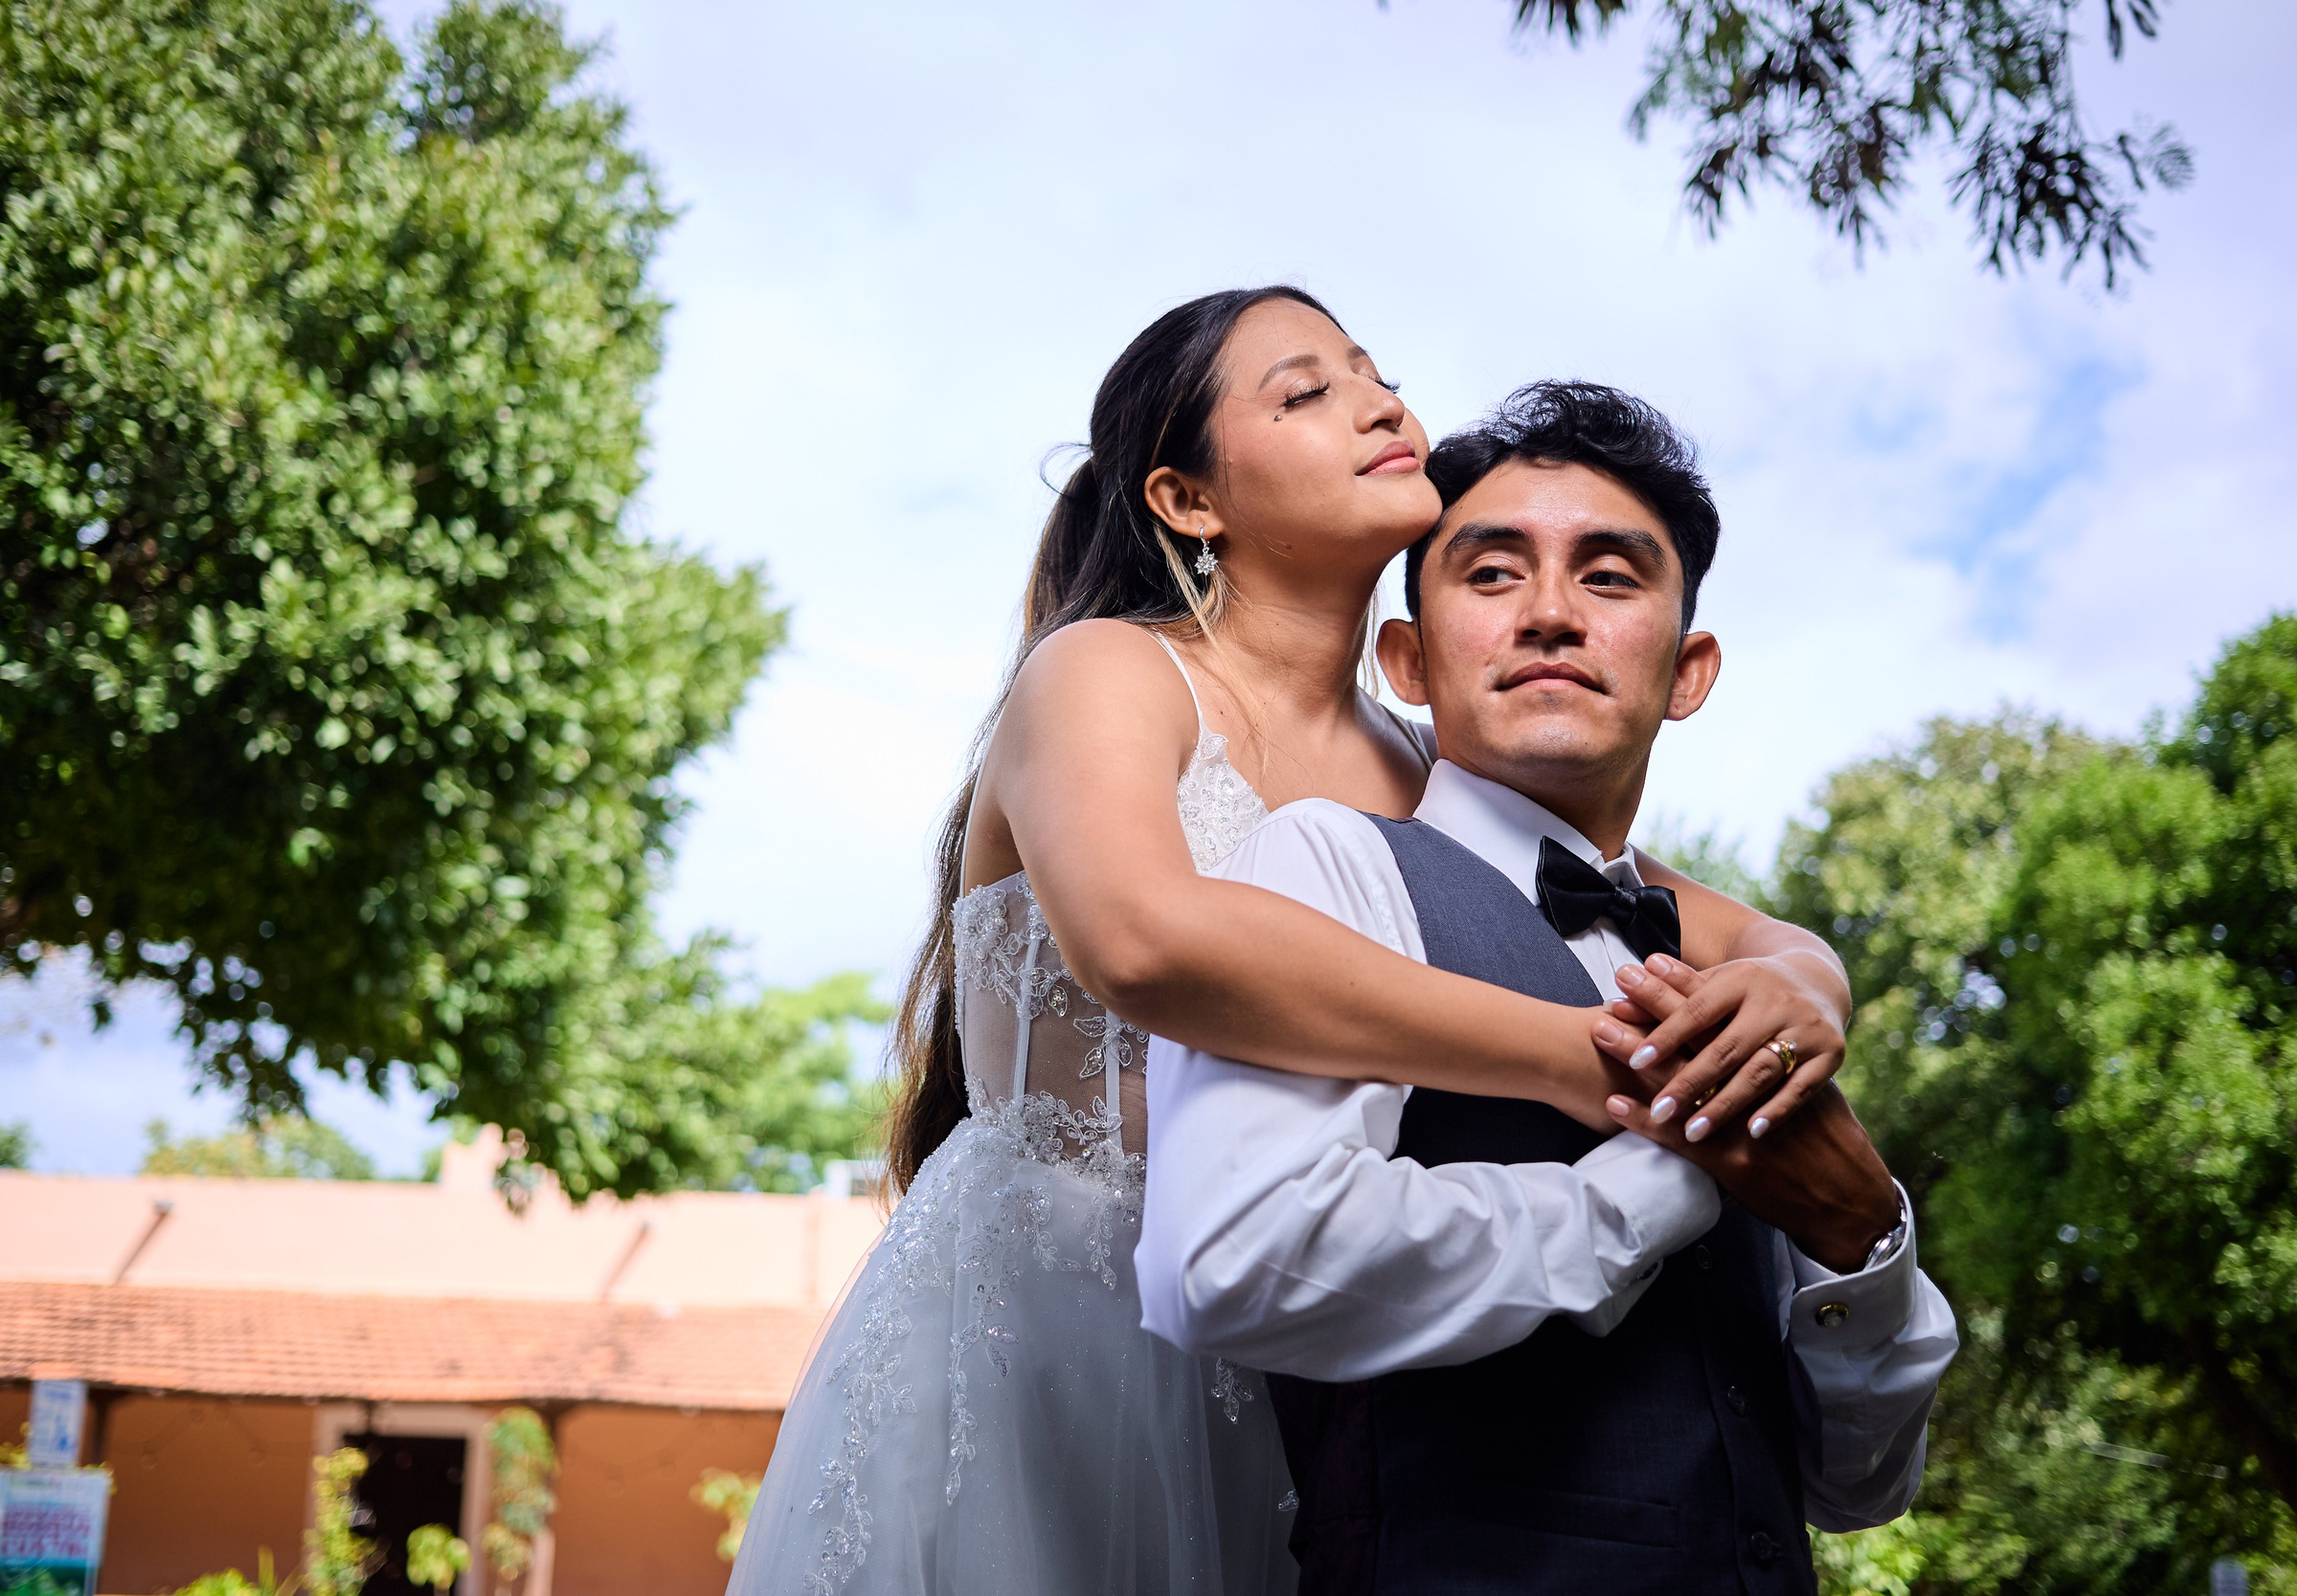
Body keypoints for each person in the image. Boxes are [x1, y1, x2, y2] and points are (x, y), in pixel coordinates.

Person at [730, 293, 1856, 1596]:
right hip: (1050, 1331)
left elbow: (1692, 911)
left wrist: (1802, 981)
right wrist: (1576, 1060)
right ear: (1188, 498)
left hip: (1313, 1355)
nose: (1381, 404)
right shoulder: (1108, 671)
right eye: (1306, 392)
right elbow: (1148, 938)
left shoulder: (1420, 764)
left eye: (1377, 374)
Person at [1136, 381, 1961, 1595]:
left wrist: (1859, 1242)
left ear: (1687, 671)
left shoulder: (1733, 977)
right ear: (1407, 659)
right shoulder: (1327, 862)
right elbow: (1230, 1259)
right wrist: (1659, 1175)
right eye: (1491, 573)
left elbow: (1856, 1487)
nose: (1552, 615)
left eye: (1611, 576)